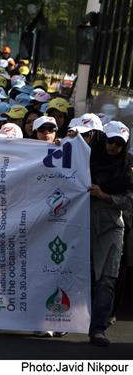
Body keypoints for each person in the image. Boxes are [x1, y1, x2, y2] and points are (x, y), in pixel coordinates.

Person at [88, 121, 133, 346]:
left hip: (111, 226)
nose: (113, 147)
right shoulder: (86, 158)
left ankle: (98, 329)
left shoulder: (127, 167)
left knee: (106, 279)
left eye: (119, 143)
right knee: (79, 275)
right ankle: (66, 321)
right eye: (110, 141)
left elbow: (130, 199)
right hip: (81, 224)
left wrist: (105, 195)